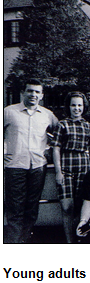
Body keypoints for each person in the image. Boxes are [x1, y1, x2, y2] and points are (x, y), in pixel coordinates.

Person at [4, 80, 58, 243]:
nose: (33, 95)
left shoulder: (47, 115)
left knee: (32, 207)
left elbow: (59, 132)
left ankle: (24, 241)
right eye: (30, 91)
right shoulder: (9, 112)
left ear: (41, 96)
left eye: (36, 92)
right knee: (15, 208)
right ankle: (13, 244)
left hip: (38, 167)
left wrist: (50, 150)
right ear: (23, 92)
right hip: (15, 166)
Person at [53, 91, 90, 243]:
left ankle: (80, 239)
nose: (76, 108)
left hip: (84, 168)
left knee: (81, 205)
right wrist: (58, 171)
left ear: (84, 107)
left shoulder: (89, 127)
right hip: (66, 167)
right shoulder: (62, 124)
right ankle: (69, 242)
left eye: (79, 105)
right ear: (68, 107)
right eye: (73, 105)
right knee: (67, 207)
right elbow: (56, 148)